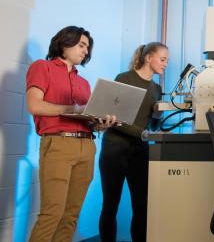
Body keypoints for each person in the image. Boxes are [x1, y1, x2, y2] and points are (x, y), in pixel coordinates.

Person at [26, 26, 115, 242]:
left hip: (87, 146)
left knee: (71, 216)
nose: (86, 51)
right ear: (65, 43)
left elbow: (88, 120)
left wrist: (103, 124)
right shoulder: (42, 67)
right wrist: (70, 109)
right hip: (58, 144)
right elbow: (34, 105)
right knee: (52, 213)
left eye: (88, 47)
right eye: (81, 45)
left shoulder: (83, 83)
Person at [99, 42, 168, 242]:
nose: (165, 64)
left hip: (140, 151)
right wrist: (143, 134)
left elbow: (154, 127)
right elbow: (115, 119)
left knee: (142, 206)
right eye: (162, 60)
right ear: (149, 58)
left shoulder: (157, 88)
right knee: (110, 205)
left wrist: (156, 116)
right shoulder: (124, 78)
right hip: (115, 148)